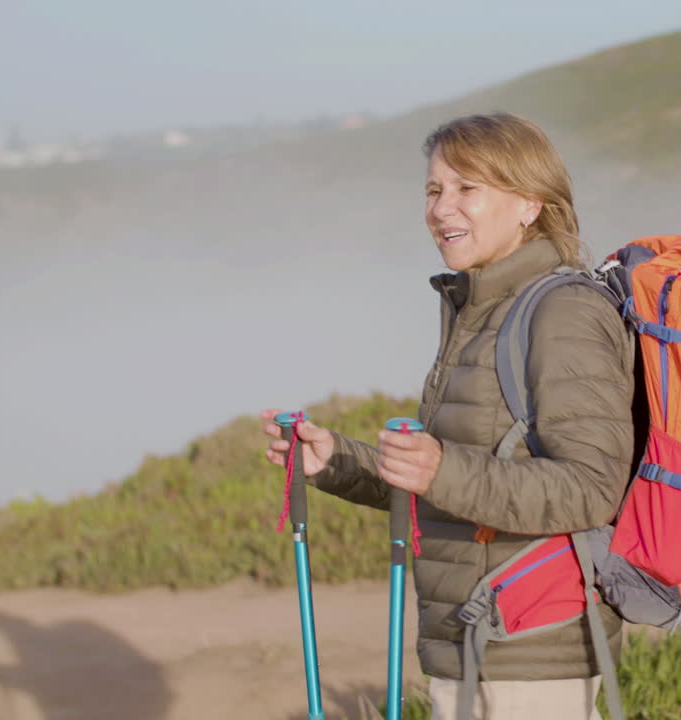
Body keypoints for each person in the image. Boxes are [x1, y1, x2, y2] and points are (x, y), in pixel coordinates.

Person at [261, 112, 636, 720]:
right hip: (468, 642)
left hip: (530, 650)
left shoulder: (563, 312)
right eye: (434, 190)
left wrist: (439, 470)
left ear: (529, 204)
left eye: (468, 188)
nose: (442, 208)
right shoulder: (478, 310)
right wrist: (336, 462)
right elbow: (448, 481)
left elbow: (591, 489)